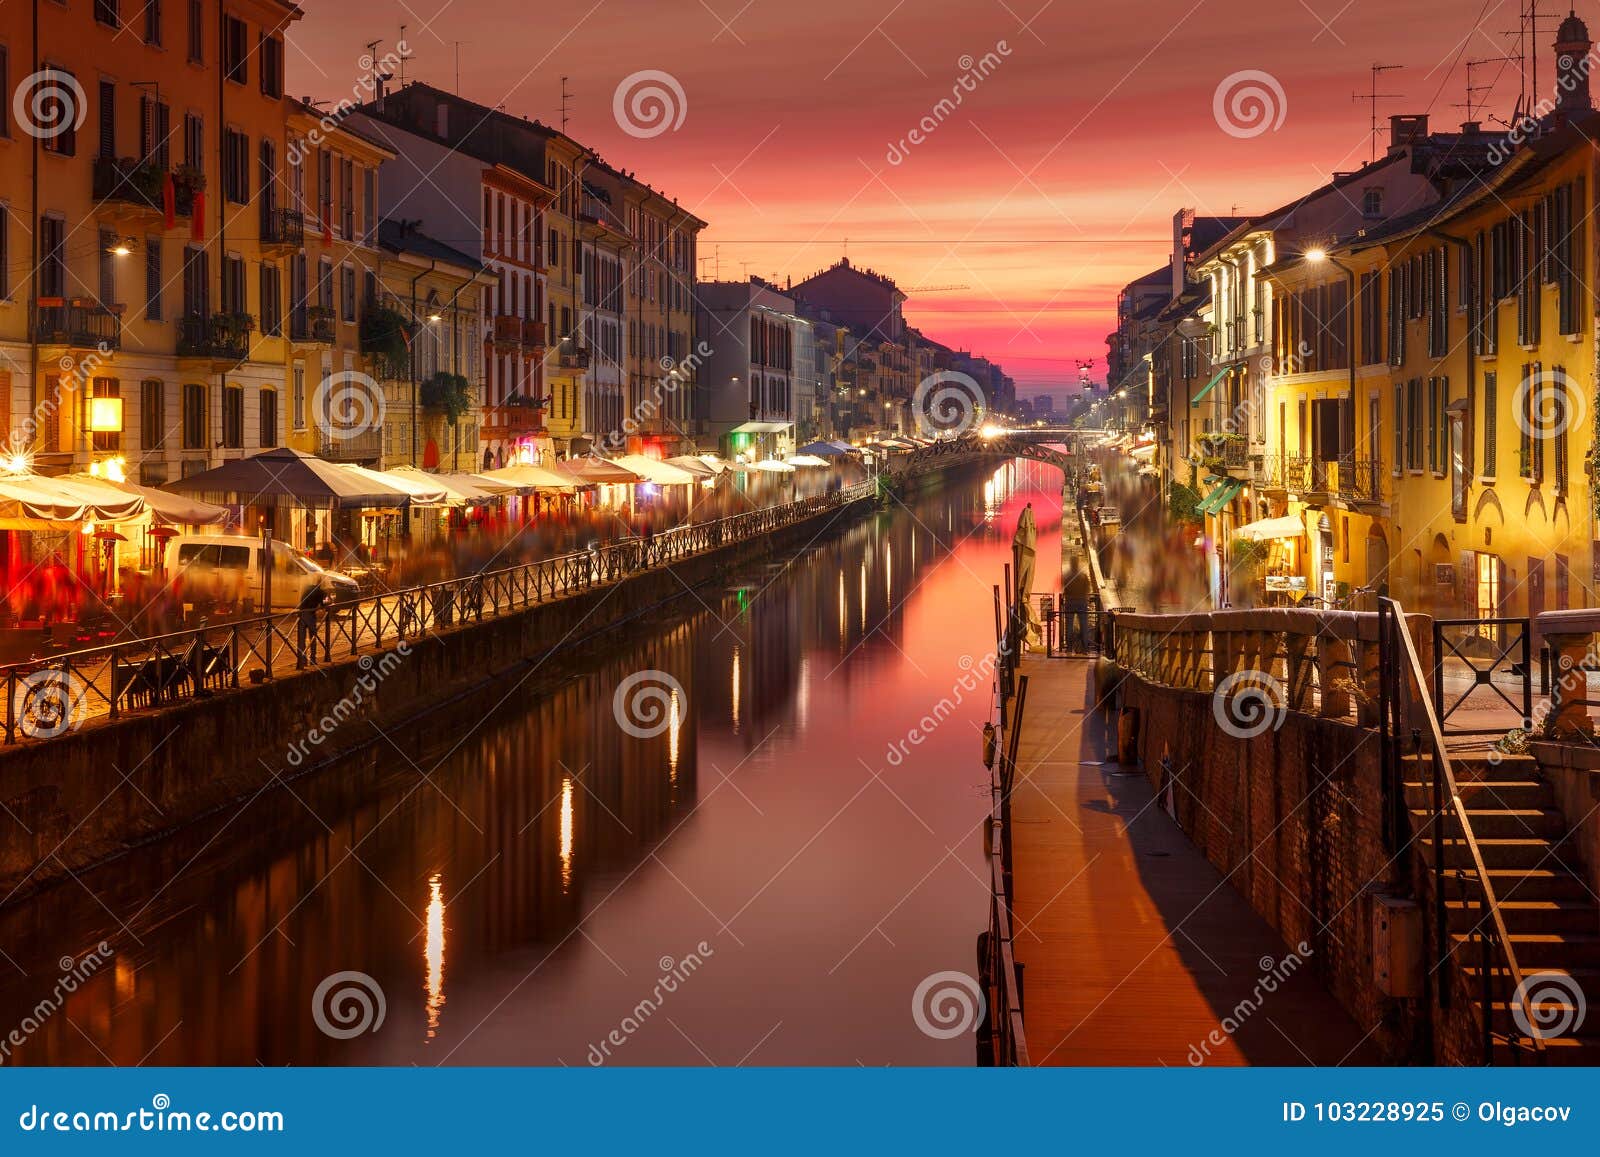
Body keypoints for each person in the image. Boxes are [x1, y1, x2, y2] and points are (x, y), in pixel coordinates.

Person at [296, 579, 330, 669]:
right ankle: (313, 659)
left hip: (301, 613)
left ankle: (302, 661)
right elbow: (323, 604)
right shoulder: (321, 592)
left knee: (301, 640)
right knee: (313, 638)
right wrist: (327, 603)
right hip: (310, 614)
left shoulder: (308, 588)